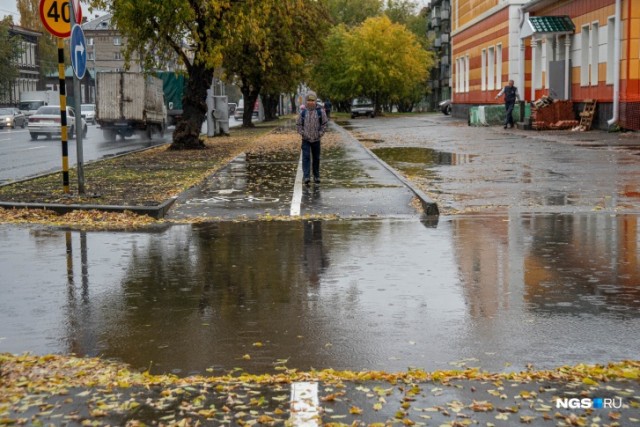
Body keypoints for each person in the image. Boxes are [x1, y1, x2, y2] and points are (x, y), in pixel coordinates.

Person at [296, 91, 328, 185]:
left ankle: (316, 176)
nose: (311, 102)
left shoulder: (320, 111)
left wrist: (320, 133)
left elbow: (324, 124)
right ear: (306, 101)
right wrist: (302, 133)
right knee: (306, 157)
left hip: (316, 139)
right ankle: (306, 176)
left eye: (312, 100)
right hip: (305, 139)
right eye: (309, 100)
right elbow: (298, 124)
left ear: (315, 101)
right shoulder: (303, 112)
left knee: (316, 158)